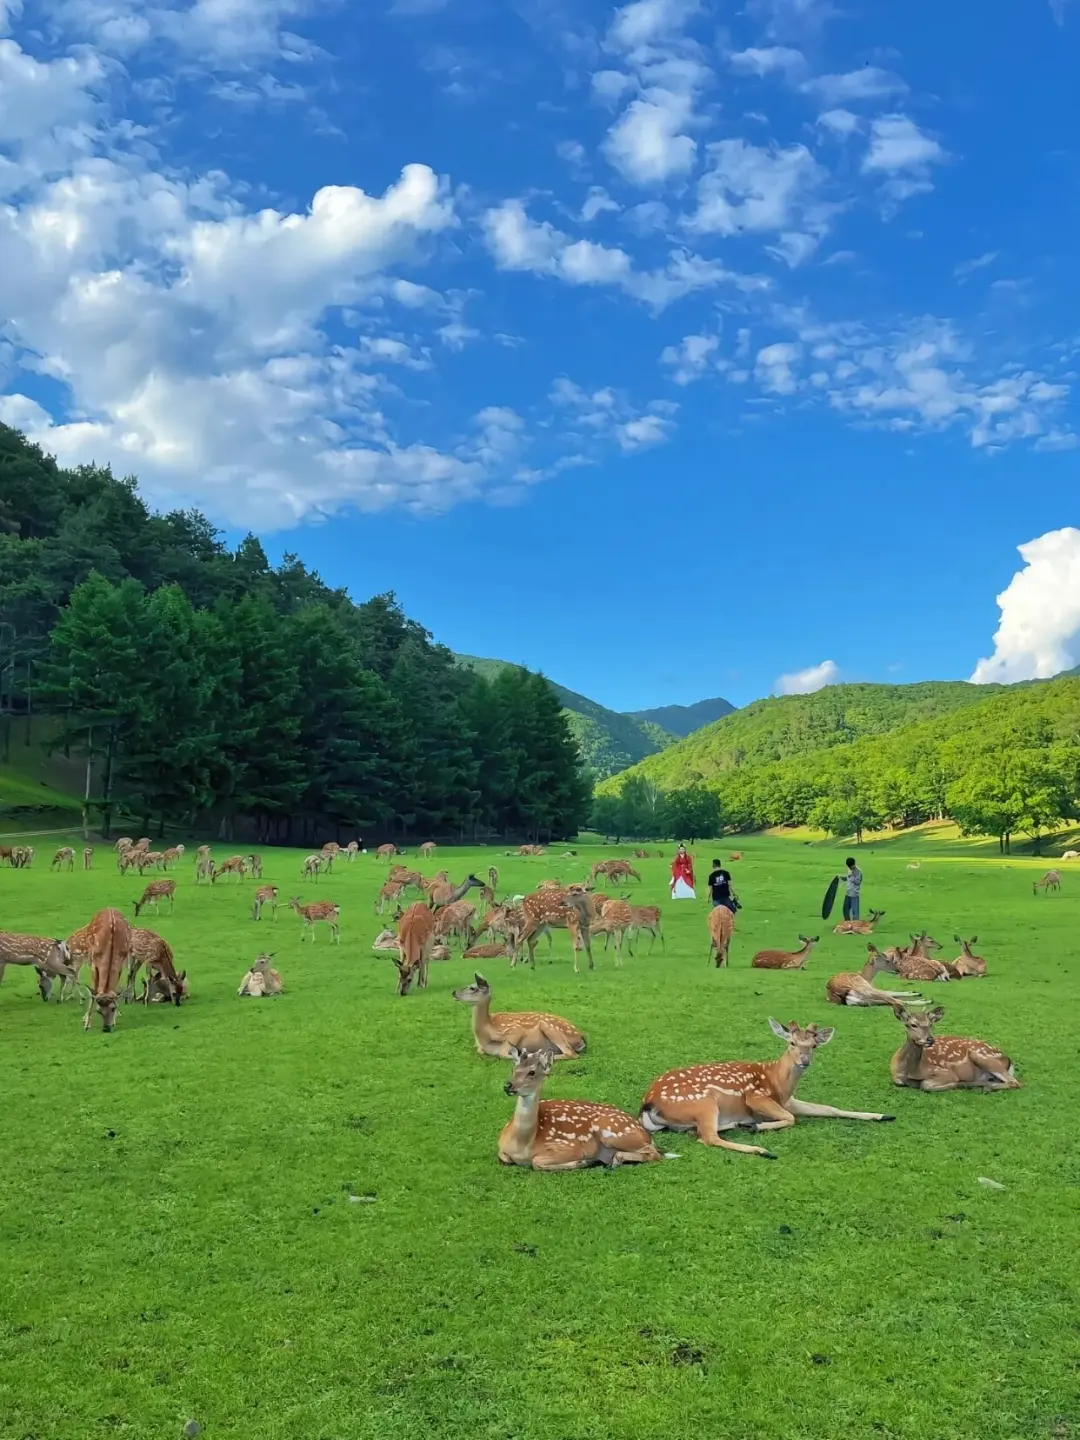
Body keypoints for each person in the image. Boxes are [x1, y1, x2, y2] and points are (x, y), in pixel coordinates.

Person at [842, 856, 862, 922]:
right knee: (845, 909)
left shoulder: (858, 871)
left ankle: (855, 925)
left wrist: (852, 876)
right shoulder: (850, 870)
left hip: (854, 894)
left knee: (855, 912)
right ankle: (847, 923)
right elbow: (848, 878)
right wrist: (842, 878)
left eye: (850, 867)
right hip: (848, 893)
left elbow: (858, 882)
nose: (850, 868)